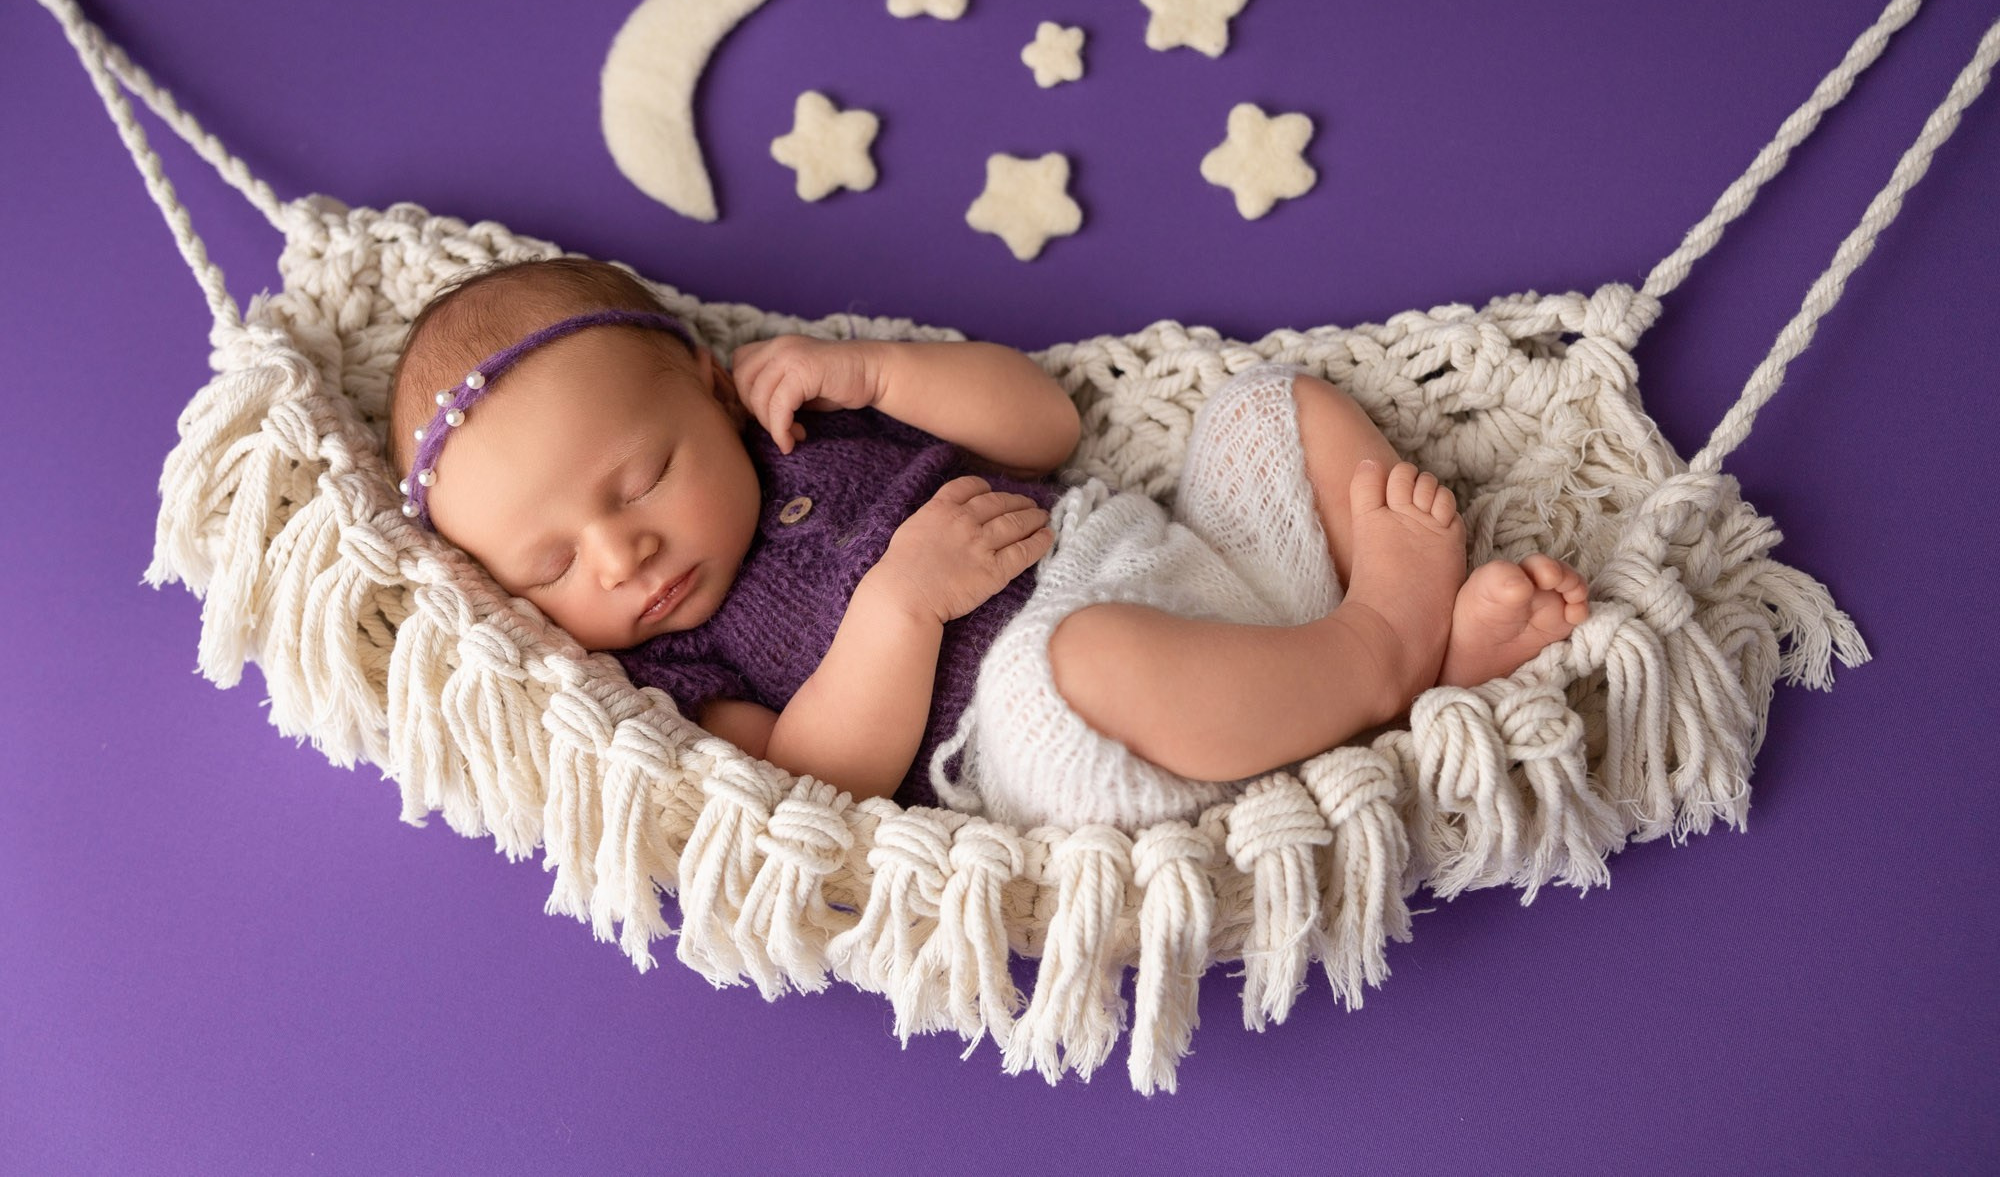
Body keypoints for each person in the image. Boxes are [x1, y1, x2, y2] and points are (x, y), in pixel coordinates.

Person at [390, 256, 1588, 830]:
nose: (620, 557)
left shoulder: (805, 417)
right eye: (551, 567)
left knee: (1270, 407)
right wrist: (899, 607)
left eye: (642, 479)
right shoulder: (672, 664)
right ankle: (1385, 648)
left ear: (709, 386)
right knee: (1091, 657)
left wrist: (874, 372)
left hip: (1171, 562)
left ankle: (1370, 666)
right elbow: (813, 775)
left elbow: (1043, 424)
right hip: (1048, 727)